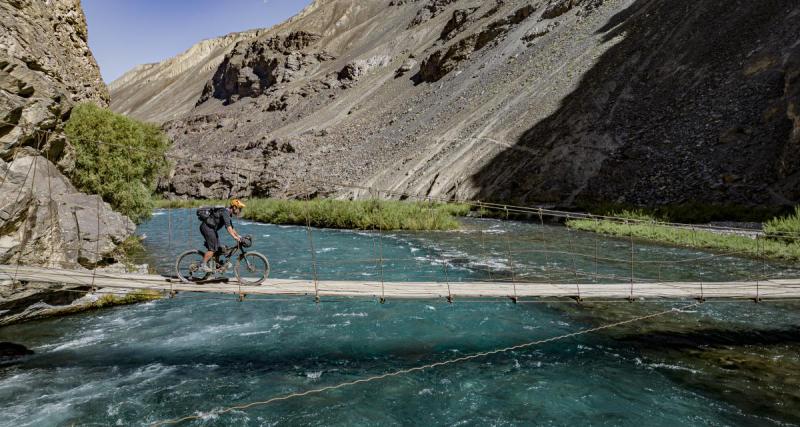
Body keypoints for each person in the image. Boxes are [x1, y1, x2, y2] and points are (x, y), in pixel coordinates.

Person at [200, 199, 246, 272]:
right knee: (212, 249)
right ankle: (203, 265)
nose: (240, 210)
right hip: (207, 228)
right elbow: (228, 227)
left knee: (218, 248)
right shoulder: (225, 212)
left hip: (211, 229)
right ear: (234, 207)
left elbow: (231, 227)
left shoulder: (227, 213)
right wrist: (234, 237)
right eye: (239, 208)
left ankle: (217, 266)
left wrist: (238, 236)